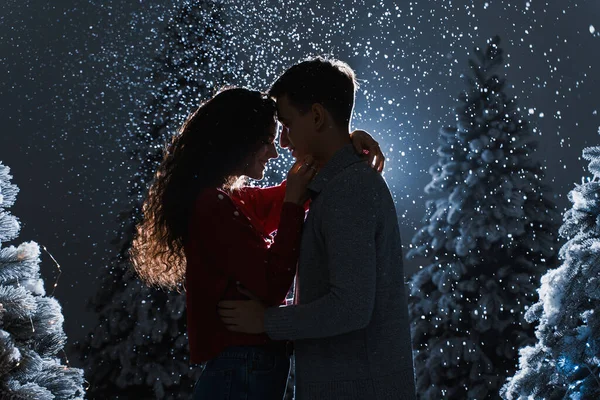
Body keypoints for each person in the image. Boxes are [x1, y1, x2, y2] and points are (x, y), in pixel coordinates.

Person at [129, 86, 384, 400]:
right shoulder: (213, 206)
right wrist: (292, 205)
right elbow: (272, 285)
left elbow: (290, 192)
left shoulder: (226, 202)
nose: (275, 152)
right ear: (237, 141)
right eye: (266, 142)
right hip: (243, 364)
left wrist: (344, 146)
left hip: (242, 364)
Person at [218, 57, 417, 400]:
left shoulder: (349, 189)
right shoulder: (335, 185)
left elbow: (351, 307)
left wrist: (266, 321)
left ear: (317, 116)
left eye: (287, 123)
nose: (282, 142)